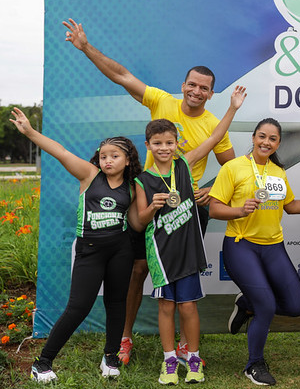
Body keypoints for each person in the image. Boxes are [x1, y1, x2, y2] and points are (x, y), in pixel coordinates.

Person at [63, 19, 236, 365]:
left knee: (185, 275)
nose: (197, 91)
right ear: (183, 85)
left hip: (186, 210)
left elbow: (233, 168)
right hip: (149, 202)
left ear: (211, 93)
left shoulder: (213, 124)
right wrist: (85, 48)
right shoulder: (161, 101)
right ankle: (125, 338)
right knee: (138, 271)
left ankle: (187, 347)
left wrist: (210, 191)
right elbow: (122, 75)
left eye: (204, 88)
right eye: (192, 85)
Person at [11, 108, 143, 383]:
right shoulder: (89, 174)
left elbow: (136, 223)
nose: (107, 160)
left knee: (116, 303)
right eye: (104, 155)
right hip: (90, 251)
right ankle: (42, 363)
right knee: (78, 307)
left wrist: (152, 208)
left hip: (121, 249)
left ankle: (110, 357)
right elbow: (59, 151)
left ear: (128, 160)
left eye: (114, 156)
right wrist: (30, 131)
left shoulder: (132, 187)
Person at [135, 86, 246, 385]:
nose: (164, 148)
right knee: (166, 306)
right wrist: (152, 208)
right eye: (157, 143)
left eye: (169, 143)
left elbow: (212, 139)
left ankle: (193, 358)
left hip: (188, 253)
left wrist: (233, 108)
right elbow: (137, 221)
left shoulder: (184, 166)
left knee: (188, 305)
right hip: (161, 256)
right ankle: (169, 360)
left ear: (176, 145)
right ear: (148, 145)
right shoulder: (142, 181)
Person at [208, 118, 300, 385]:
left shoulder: (278, 172)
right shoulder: (233, 168)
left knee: (295, 306)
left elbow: (290, 206)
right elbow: (213, 208)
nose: (266, 142)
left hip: (273, 246)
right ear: (254, 138)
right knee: (266, 306)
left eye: (272, 139)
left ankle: (246, 304)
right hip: (241, 245)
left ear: (278, 143)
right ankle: (254, 363)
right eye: (262, 136)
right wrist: (238, 210)